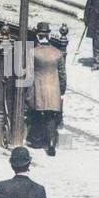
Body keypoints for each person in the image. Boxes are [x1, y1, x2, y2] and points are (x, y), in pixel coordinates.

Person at [26, 22, 66, 156]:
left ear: (38, 36)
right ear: (48, 35)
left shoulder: (33, 52)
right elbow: (62, 74)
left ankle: (36, 141)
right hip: (53, 89)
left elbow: (29, 74)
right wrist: (62, 90)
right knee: (50, 116)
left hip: (39, 88)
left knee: (37, 114)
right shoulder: (58, 53)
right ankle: (51, 144)